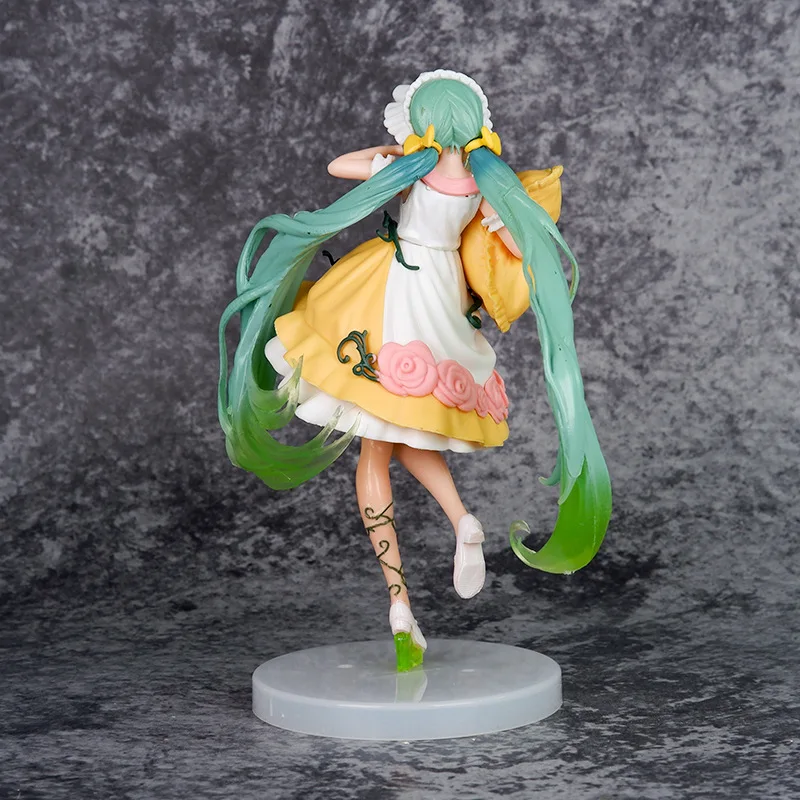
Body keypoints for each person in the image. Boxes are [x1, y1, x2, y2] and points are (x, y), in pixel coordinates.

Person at [218, 70, 611, 671]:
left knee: (375, 450)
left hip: (392, 293)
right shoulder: (484, 181)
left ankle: (399, 602)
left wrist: (399, 153)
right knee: (402, 434)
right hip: (443, 301)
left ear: (422, 120)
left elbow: (337, 166)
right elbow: (511, 249)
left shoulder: (409, 168)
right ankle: (461, 521)